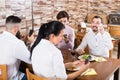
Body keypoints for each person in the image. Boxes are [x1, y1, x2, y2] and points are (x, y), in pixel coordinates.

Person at [0, 15, 32, 80]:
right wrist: (32, 42)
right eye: (20, 27)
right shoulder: (17, 43)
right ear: (16, 28)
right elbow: (30, 60)